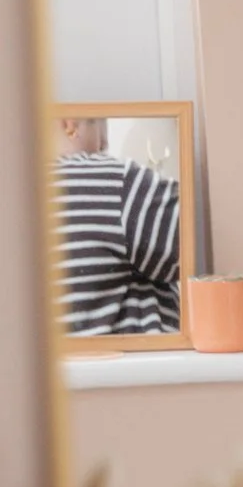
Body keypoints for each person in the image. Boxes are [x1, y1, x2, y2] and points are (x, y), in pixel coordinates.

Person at [55, 114, 182, 335]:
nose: (105, 143)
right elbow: (194, 239)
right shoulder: (112, 180)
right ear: (70, 123)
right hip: (135, 366)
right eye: (101, 130)